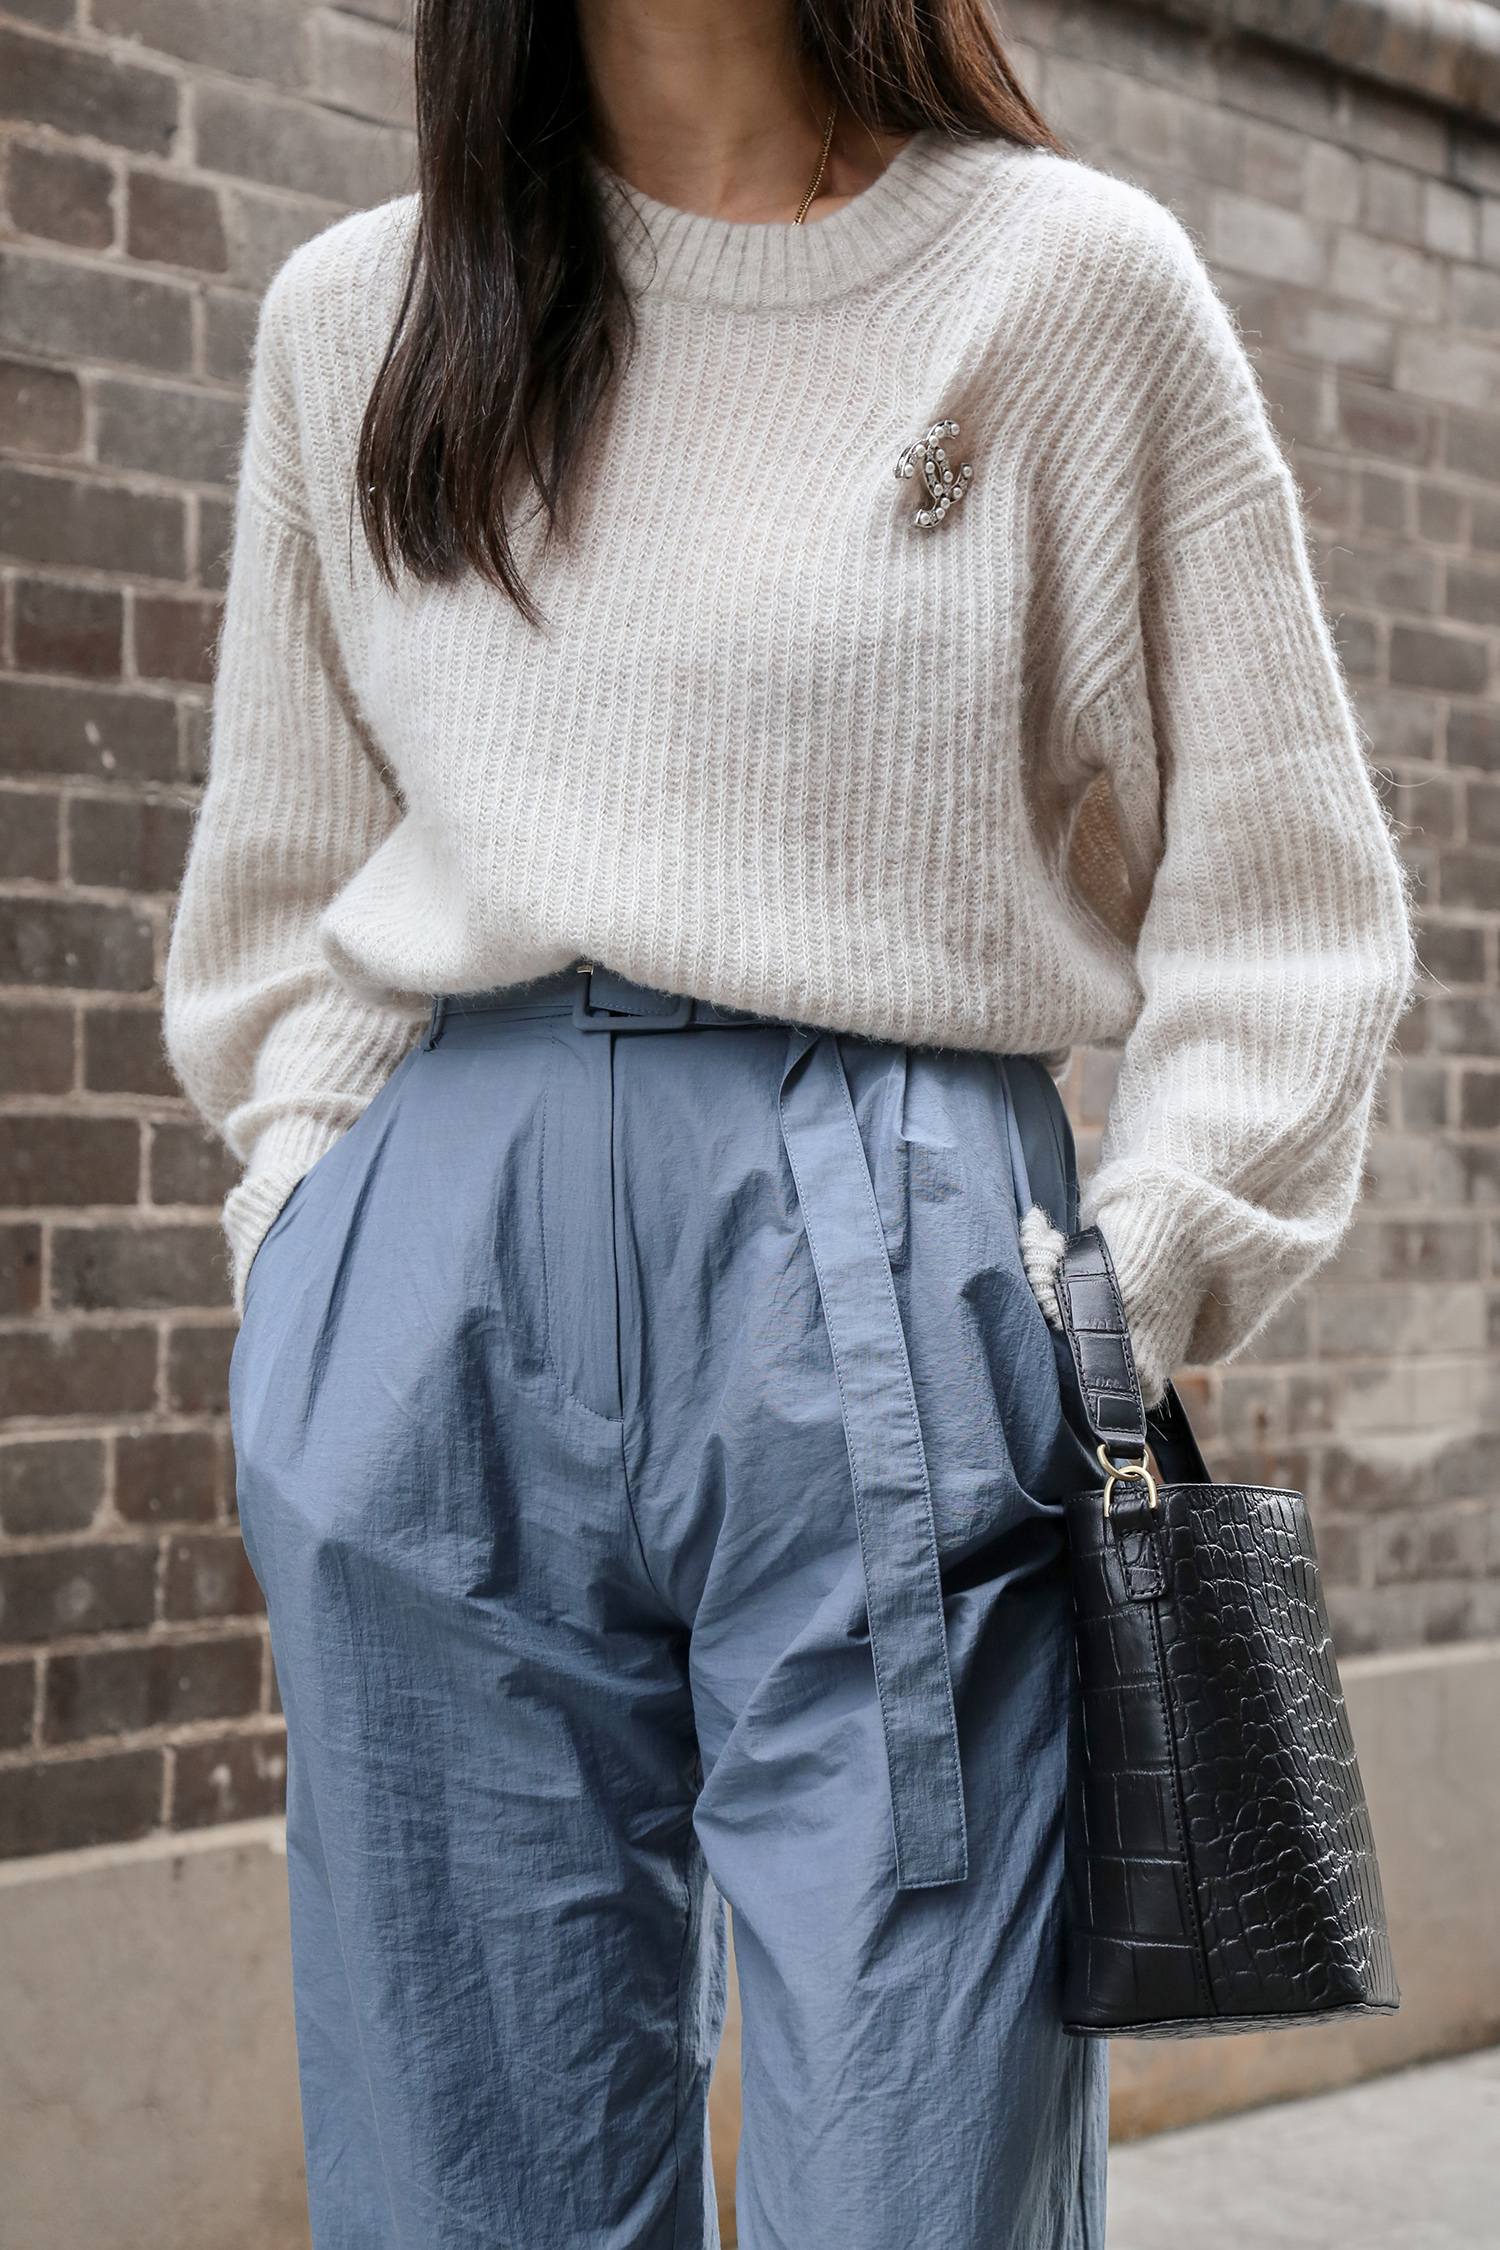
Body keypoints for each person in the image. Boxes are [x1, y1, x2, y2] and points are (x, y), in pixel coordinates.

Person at [163, 0, 1411, 2241]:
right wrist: (303, 1258)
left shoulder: (1062, 283)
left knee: (923, 2174)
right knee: (465, 2174)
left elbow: (1287, 895)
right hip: (441, 1236)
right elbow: (282, 894)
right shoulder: (359, 317)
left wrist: (1129, 1282)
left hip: (906, 1265)